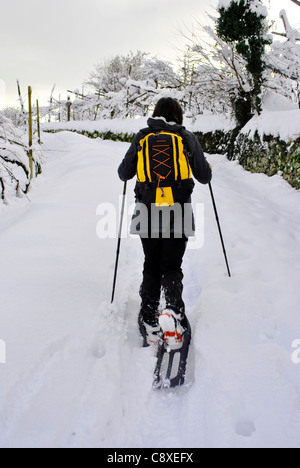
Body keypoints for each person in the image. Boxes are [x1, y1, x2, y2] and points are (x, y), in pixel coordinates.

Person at [118, 97, 212, 347]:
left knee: (151, 264)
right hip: (178, 209)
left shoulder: (142, 136)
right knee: (171, 265)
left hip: (147, 208)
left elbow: (124, 173)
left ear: (156, 114)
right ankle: (173, 312)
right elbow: (203, 176)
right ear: (178, 115)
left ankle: (149, 317)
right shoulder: (185, 137)